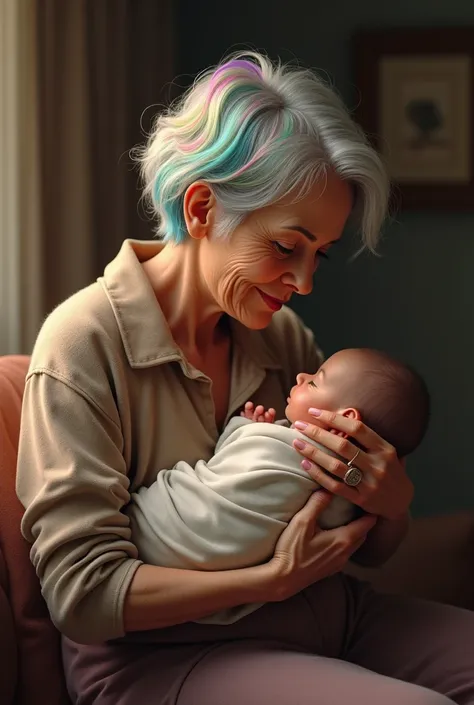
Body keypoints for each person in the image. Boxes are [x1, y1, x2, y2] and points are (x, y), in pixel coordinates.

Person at [15, 52, 474, 705]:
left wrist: (390, 501)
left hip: (328, 615)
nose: (306, 282)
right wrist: (268, 582)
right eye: (288, 247)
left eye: (320, 254)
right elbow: (84, 595)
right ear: (202, 207)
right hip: (167, 655)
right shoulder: (83, 344)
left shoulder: (280, 337)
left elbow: (355, 539)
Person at [127, 347, 430, 625]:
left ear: (343, 421)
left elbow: (235, 452)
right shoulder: (350, 499)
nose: (302, 375)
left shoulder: (286, 438)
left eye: (313, 382)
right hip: (183, 606)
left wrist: (245, 427)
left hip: (157, 532)